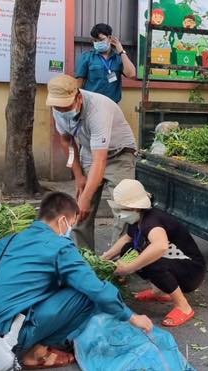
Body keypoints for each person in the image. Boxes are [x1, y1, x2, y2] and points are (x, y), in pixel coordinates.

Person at [0, 192, 153, 369]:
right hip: (12, 335)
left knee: (62, 287)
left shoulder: (7, 241)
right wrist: (131, 316)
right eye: (71, 224)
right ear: (62, 221)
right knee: (85, 295)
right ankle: (37, 353)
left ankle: (33, 341)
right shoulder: (59, 246)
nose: (69, 230)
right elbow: (94, 288)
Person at [47, 74, 137, 252]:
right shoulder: (57, 109)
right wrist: (79, 175)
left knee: (123, 209)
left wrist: (86, 198)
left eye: (66, 106)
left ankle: (117, 261)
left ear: (78, 97)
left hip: (119, 153)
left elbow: (100, 160)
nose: (62, 111)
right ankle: (83, 258)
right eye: (58, 107)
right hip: (90, 152)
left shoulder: (98, 110)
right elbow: (67, 141)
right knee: (80, 211)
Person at [102, 179, 206, 328]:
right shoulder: (138, 219)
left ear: (135, 207)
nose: (120, 213)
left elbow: (160, 246)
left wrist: (128, 268)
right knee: (128, 249)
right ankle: (160, 292)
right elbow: (127, 239)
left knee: (152, 262)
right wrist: (105, 257)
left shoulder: (152, 221)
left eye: (123, 209)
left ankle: (183, 307)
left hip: (191, 272)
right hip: (175, 264)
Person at [75, 23, 136, 103]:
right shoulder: (87, 57)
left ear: (110, 38)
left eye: (101, 40)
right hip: (91, 103)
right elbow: (79, 83)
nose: (98, 43)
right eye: (95, 40)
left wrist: (121, 51)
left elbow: (131, 74)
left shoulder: (118, 58)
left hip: (112, 104)